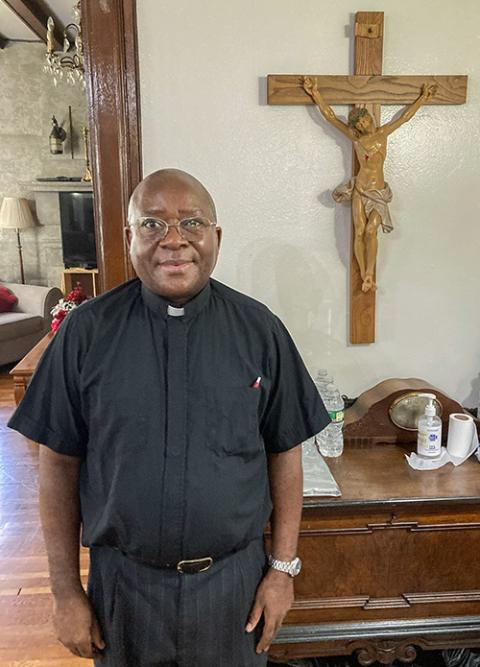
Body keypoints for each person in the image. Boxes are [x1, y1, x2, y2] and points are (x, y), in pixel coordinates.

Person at [8, 169, 329, 667]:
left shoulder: (259, 330)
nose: (174, 241)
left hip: (234, 591)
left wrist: (282, 571)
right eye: (153, 224)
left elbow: (284, 452)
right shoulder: (85, 334)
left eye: (192, 223)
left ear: (216, 237)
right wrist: (65, 592)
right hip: (123, 589)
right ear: (129, 236)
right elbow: (57, 465)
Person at [303, 76, 437, 293]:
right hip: (360, 190)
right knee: (359, 232)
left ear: (370, 119)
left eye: (365, 121)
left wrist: (423, 97)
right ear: (356, 126)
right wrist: (315, 93)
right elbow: (330, 117)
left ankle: (368, 273)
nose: (364, 125)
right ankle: (365, 274)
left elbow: (404, 118)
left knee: (371, 230)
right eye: (359, 124)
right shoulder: (356, 139)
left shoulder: (382, 133)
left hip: (378, 192)